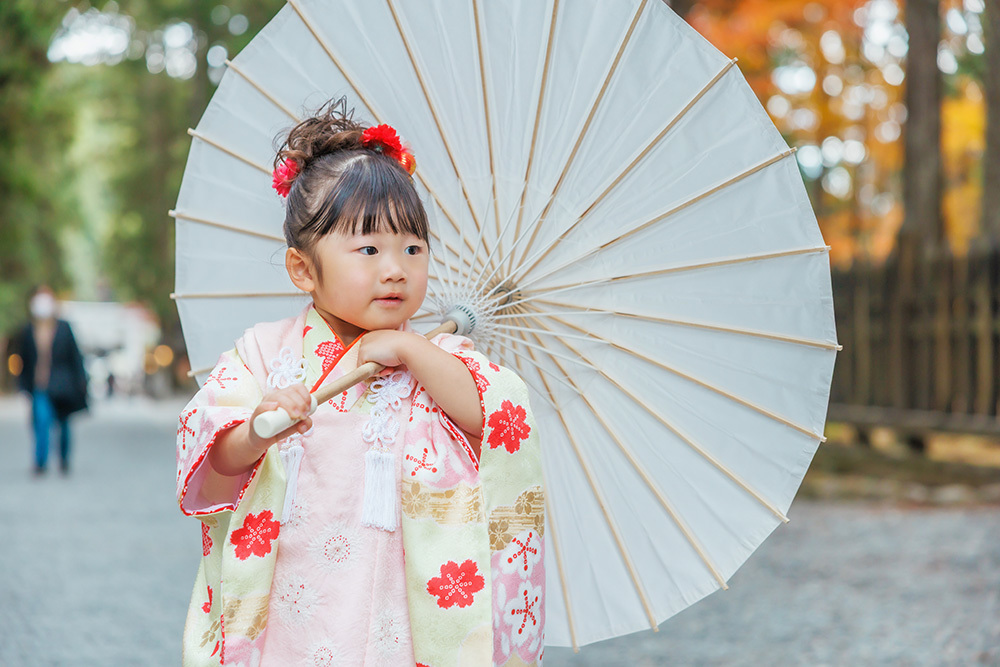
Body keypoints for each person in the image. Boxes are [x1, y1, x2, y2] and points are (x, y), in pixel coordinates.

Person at [177, 99, 544, 666]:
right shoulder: (265, 353)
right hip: (295, 602)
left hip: (404, 601)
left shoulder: (436, 355)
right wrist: (258, 430)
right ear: (303, 269)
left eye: (412, 248)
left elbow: (494, 415)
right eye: (368, 248)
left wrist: (407, 348)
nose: (395, 267)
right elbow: (215, 451)